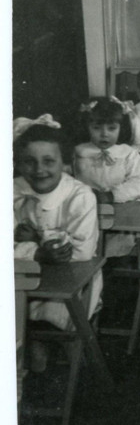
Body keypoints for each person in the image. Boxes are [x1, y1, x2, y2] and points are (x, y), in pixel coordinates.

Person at [13, 118, 103, 354]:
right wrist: (37, 252)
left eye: (49, 161)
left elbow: (80, 252)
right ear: (18, 164)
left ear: (64, 163)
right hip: (20, 274)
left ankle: (37, 343)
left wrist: (35, 243)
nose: (39, 170)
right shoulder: (12, 191)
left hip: (72, 276)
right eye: (29, 162)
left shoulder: (80, 196)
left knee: (51, 315)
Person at [73, 98, 140, 257]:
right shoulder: (79, 153)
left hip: (121, 211)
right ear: (87, 127)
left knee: (119, 242)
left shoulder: (128, 153)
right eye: (96, 128)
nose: (104, 134)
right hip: (87, 212)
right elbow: (69, 182)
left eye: (112, 128)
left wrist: (112, 195)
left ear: (122, 128)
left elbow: (139, 181)